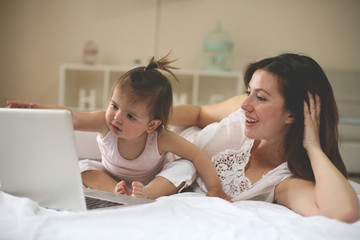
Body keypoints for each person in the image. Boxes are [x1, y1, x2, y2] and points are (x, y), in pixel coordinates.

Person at [6, 54, 230, 201]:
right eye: (114, 106)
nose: (117, 118)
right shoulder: (105, 123)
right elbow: (71, 117)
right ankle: (114, 192)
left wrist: (215, 189)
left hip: (152, 181)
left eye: (131, 116)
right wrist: (34, 107)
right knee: (83, 167)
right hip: (111, 176)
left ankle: (146, 195)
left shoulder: (161, 138)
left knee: (185, 167)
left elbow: (198, 156)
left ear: (151, 124)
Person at [168, 53, 359, 223]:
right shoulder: (241, 112)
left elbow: (344, 212)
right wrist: (152, 117)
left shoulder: (282, 181)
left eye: (261, 98)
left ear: (292, 114)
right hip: (162, 137)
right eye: (248, 92)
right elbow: (198, 114)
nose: (245, 105)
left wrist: (313, 147)